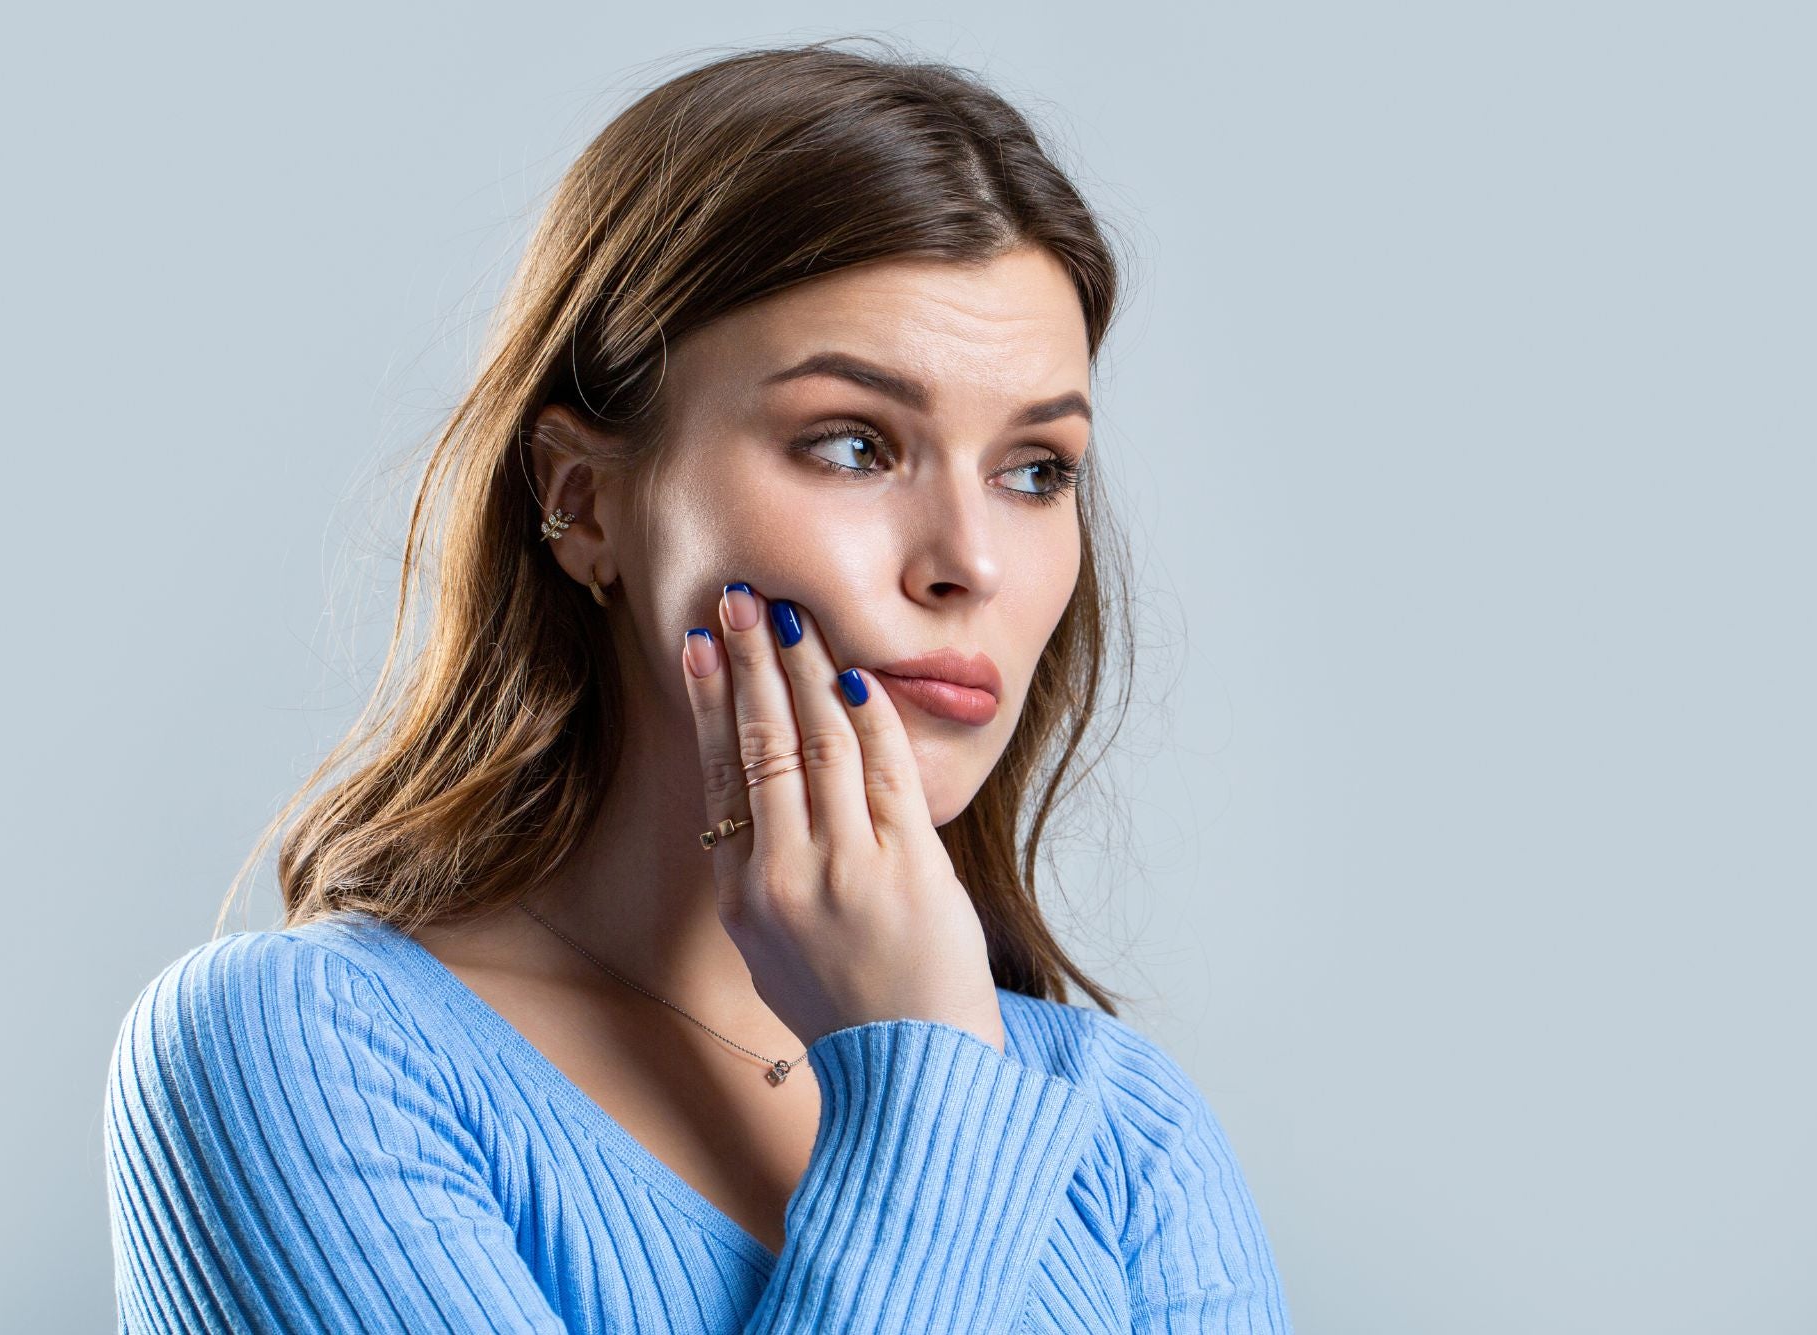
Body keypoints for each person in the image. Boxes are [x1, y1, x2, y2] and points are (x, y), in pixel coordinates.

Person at [103, 37, 1295, 1334]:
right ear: (583, 500)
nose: (970, 564)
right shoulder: (297, 1057)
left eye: (1035, 470)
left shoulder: (1128, 1137)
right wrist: (928, 1081)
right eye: (853, 444)